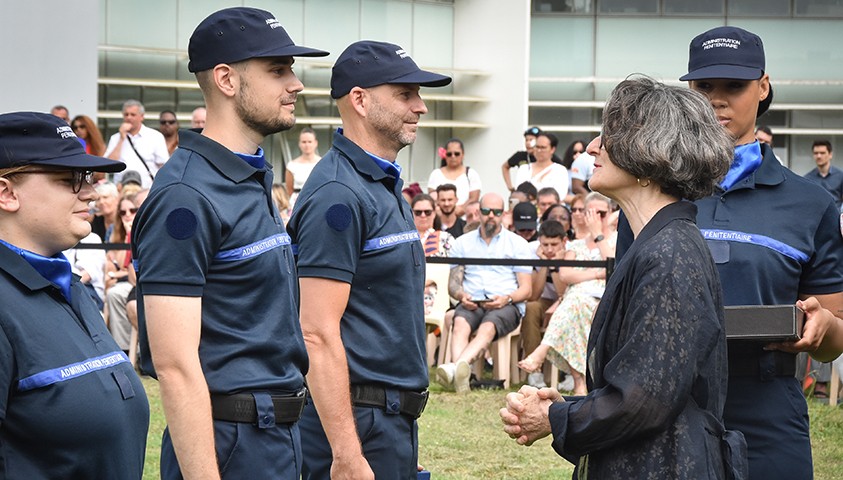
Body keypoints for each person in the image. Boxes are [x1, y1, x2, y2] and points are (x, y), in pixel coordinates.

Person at [611, 27, 843, 479]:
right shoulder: (648, 193)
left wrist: (823, 327)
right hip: (668, 406)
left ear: (763, 87)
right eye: (703, 87)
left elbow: (837, 332)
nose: (717, 100)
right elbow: (622, 314)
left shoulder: (811, 203)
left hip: (768, 407)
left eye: (733, 86)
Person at [501, 76, 744, 478]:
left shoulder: (669, 253)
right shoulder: (659, 244)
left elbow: (643, 399)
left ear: (650, 154)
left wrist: (557, 418)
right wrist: (569, 408)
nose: (593, 147)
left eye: (608, 136)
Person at [132, 7, 328, 479]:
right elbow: (175, 366)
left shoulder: (248, 174)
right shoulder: (186, 197)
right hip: (230, 440)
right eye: (278, 70)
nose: (295, 83)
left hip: (276, 433)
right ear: (225, 79)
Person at [286, 40, 450, 479]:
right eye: (405, 94)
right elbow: (315, 332)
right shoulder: (338, 194)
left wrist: (397, 433)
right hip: (357, 423)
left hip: (383, 422)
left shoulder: (380, 182)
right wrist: (348, 452)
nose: (420, 107)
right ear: (359, 99)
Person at [0, 111, 148, 478]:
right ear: (6, 193)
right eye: (68, 179)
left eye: (86, 177)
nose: (91, 192)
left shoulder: (69, 285)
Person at [518, 192, 615, 395]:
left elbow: (613, 269)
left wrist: (598, 236)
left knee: (573, 302)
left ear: (610, 213)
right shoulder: (576, 245)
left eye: (602, 213)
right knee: (575, 306)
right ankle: (579, 382)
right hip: (577, 300)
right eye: (592, 213)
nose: (597, 218)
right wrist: (598, 273)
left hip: (603, 299)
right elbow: (566, 274)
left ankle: (543, 352)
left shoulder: (615, 240)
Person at [437, 192, 533, 393]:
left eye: (497, 212)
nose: (491, 216)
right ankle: (462, 377)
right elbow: (453, 285)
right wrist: (462, 295)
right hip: (473, 300)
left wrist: (506, 298)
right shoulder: (462, 243)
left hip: (506, 303)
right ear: (479, 213)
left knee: (488, 326)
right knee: (460, 323)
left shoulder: (518, 245)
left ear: (504, 214)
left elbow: (526, 289)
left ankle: (455, 368)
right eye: (487, 211)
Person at [519, 219, 569, 389]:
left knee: (568, 310)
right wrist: (544, 265)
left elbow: (564, 293)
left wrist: (555, 266)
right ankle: (535, 372)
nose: (548, 249)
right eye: (545, 244)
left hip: (566, 301)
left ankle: (569, 372)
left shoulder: (572, 251)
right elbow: (533, 295)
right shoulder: (532, 250)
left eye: (554, 244)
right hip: (543, 301)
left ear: (564, 241)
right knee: (530, 308)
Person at [104, 99, 169, 188]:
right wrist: (121, 139)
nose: (129, 117)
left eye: (133, 115)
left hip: (147, 190)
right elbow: (108, 165)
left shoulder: (155, 136)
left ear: (141, 117)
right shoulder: (116, 138)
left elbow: (164, 165)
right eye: (126, 114)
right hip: (122, 191)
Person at [427, 138, 481, 217]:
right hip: (441, 219)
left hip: (465, 219)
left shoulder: (471, 174)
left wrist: (461, 209)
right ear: (445, 155)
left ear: (463, 154)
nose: (453, 156)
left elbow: (474, 198)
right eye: (449, 154)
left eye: (456, 154)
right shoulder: (436, 174)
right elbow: (432, 198)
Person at [285, 127, 321, 206]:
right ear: (299, 144)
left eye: (309, 142)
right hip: (297, 203)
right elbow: (289, 189)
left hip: (317, 202)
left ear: (315, 143)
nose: (307, 145)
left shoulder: (322, 163)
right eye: (304, 142)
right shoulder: (292, 165)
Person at [804, 140, 841, 211]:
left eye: (822, 153)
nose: (819, 156)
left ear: (830, 154)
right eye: (816, 153)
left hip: (836, 218)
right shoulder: (807, 178)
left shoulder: (840, 176)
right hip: (816, 218)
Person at [413, 193, 453, 257]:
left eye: (427, 212)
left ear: (434, 213)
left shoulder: (446, 238)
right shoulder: (404, 239)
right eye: (418, 212)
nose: (423, 215)